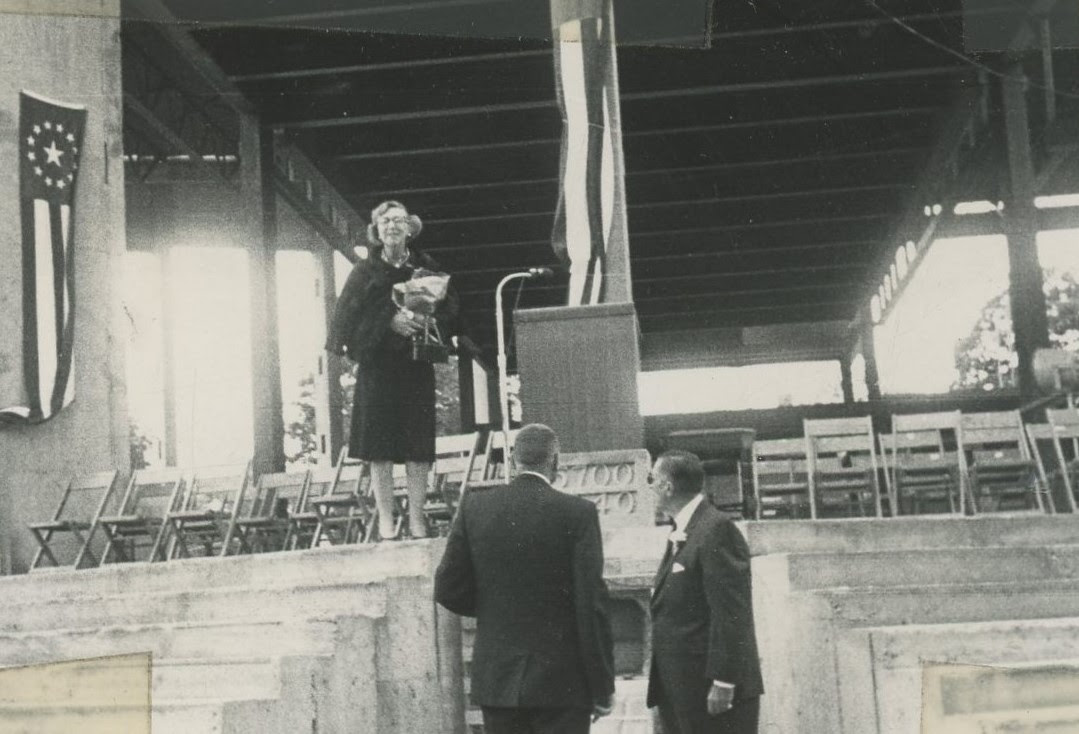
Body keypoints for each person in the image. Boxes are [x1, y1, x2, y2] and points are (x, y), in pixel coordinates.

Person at [434, 424, 615, 734]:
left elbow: (447, 587)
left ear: (513, 460)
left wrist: (493, 607)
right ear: (555, 461)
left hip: (499, 678)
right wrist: (602, 686)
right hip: (562, 682)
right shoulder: (578, 513)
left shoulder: (475, 507)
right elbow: (591, 605)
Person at [327, 200, 458, 540]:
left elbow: (450, 311)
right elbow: (346, 319)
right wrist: (389, 322)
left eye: (399, 220)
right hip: (378, 368)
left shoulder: (426, 268)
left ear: (410, 228)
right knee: (379, 449)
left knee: (418, 447)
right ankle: (386, 520)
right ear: (377, 230)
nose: (393, 227)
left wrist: (424, 319)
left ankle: (416, 519)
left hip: (415, 367)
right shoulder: (363, 272)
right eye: (386, 221)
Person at [647, 450, 763, 734]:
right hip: (680, 687)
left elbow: (732, 611)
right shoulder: (685, 529)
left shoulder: (716, 530)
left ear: (667, 486)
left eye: (652, 479)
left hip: (708, 688)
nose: (648, 486)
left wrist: (724, 681)